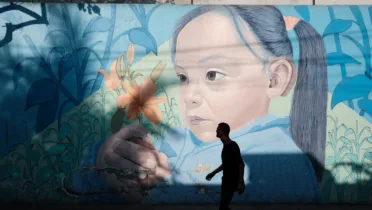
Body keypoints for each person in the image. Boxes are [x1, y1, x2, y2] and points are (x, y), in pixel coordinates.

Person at [72, 5, 327, 204]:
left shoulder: (278, 161)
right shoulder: (180, 139)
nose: (190, 96)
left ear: (275, 79)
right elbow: (78, 187)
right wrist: (106, 158)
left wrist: (146, 195)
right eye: (183, 77)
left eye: (213, 74)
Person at [205, 123, 245, 210]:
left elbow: (241, 164)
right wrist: (213, 173)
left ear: (222, 131)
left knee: (223, 207)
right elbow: (226, 164)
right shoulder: (226, 146)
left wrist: (241, 182)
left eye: (218, 129)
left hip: (231, 182)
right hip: (226, 181)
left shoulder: (232, 145)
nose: (216, 131)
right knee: (224, 206)